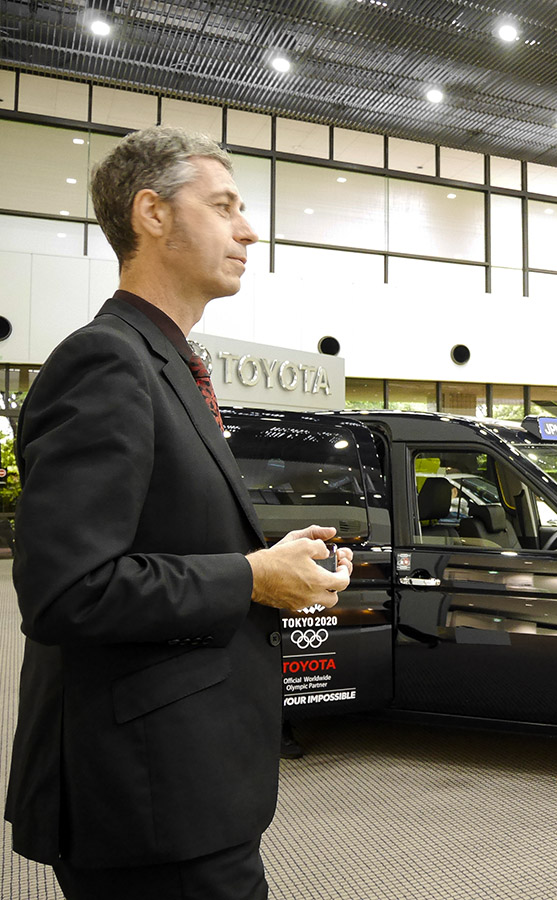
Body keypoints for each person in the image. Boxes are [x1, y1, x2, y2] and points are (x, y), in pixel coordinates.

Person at [4, 126, 352, 900]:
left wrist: (276, 562)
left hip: (181, 784)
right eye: (223, 206)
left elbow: (167, 536)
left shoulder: (162, 362)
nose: (248, 230)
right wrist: (251, 578)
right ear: (153, 213)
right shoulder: (106, 360)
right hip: (145, 797)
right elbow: (66, 591)